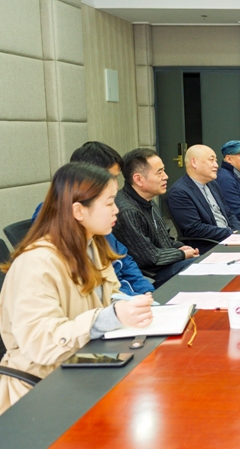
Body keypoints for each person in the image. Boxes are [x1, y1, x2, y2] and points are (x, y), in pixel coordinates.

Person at [0, 163, 153, 414]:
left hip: (82, 365)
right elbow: (41, 342)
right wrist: (109, 317)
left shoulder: (92, 245)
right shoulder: (37, 263)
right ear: (79, 210)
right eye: (109, 203)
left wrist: (129, 305)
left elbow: (110, 294)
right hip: (40, 389)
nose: (116, 210)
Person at [32, 142, 153, 297]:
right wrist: (129, 300)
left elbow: (122, 258)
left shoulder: (95, 227)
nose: (116, 186)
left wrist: (145, 291)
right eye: (111, 178)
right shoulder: (54, 229)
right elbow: (93, 290)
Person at [114, 149, 199, 288]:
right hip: (149, 276)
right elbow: (149, 258)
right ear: (138, 179)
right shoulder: (128, 211)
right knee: (199, 266)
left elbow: (165, 239)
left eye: (163, 171)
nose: (166, 176)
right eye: (159, 173)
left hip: (165, 264)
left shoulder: (148, 201)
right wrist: (181, 254)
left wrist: (180, 247)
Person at [167, 145, 240, 253]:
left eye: (216, 160)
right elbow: (195, 228)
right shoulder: (179, 192)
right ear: (194, 162)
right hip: (210, 245)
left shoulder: (212, 184)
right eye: (211, 160)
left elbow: (228, 213)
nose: (216, 165)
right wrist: (230, 233)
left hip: (230, 238)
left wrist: (239, 231)